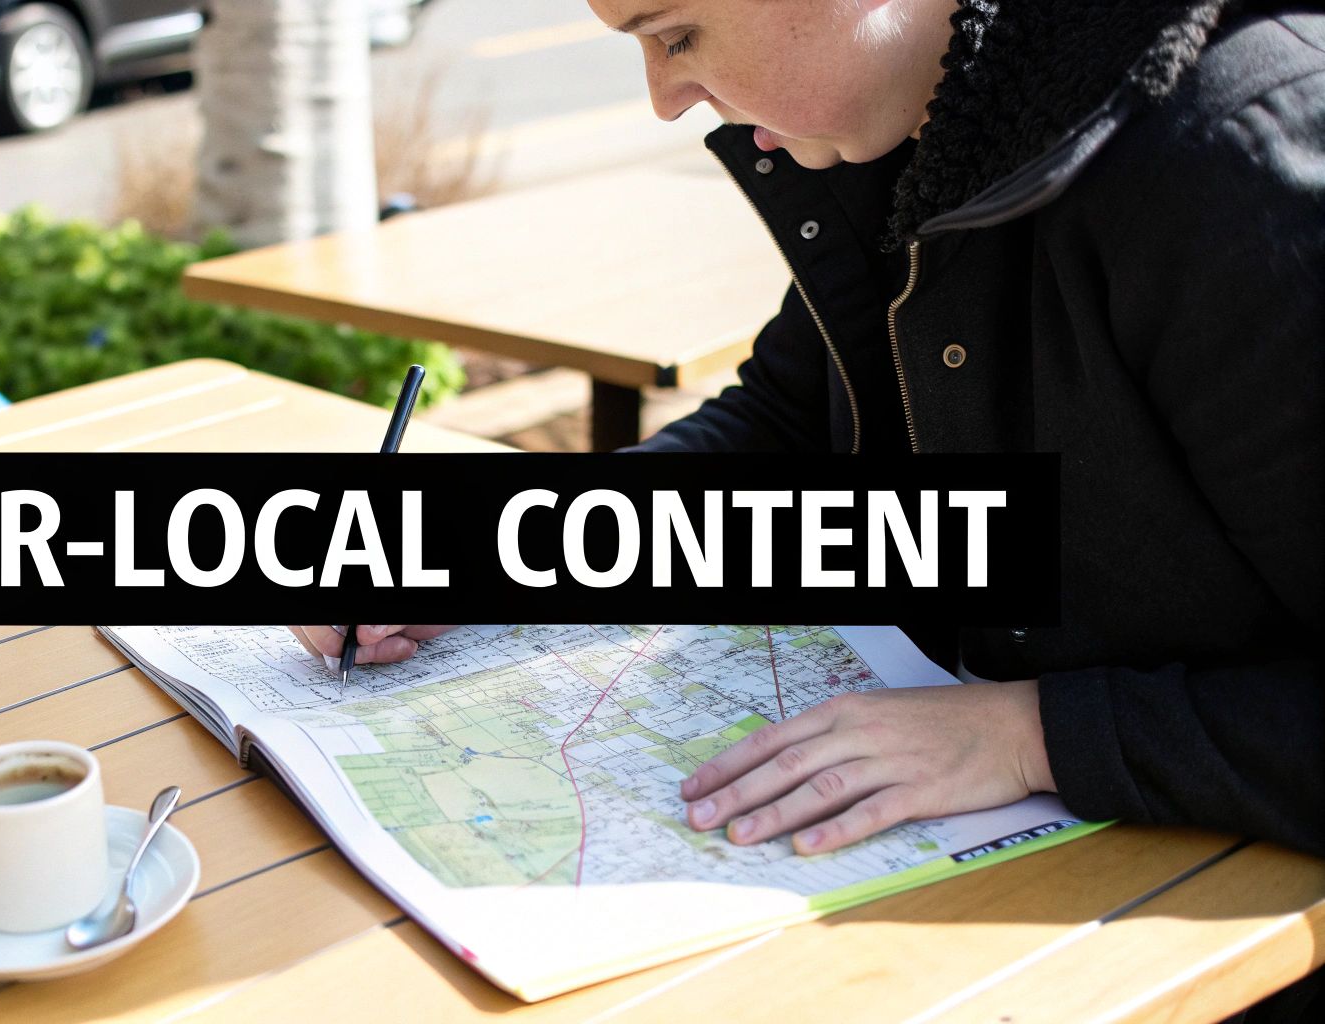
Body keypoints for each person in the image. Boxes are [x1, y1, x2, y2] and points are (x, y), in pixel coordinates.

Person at [298, 0, 1321, 972]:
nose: (663, 98)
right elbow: (789, 427)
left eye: (677, 35)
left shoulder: (1240, 156)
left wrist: (1034, 735)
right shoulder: (923, 117)